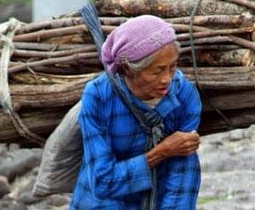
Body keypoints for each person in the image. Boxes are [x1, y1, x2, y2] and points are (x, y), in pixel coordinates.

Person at [70, 15, 202, 209]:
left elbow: (181, 173)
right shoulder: (98, 96)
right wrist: (161, 152)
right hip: (103, 203)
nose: (167, 78)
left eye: (172, 67)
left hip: (158, 196)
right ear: (128, 69)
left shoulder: (184, 94)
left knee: (187, 152)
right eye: (157, 71)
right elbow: (102, 182)